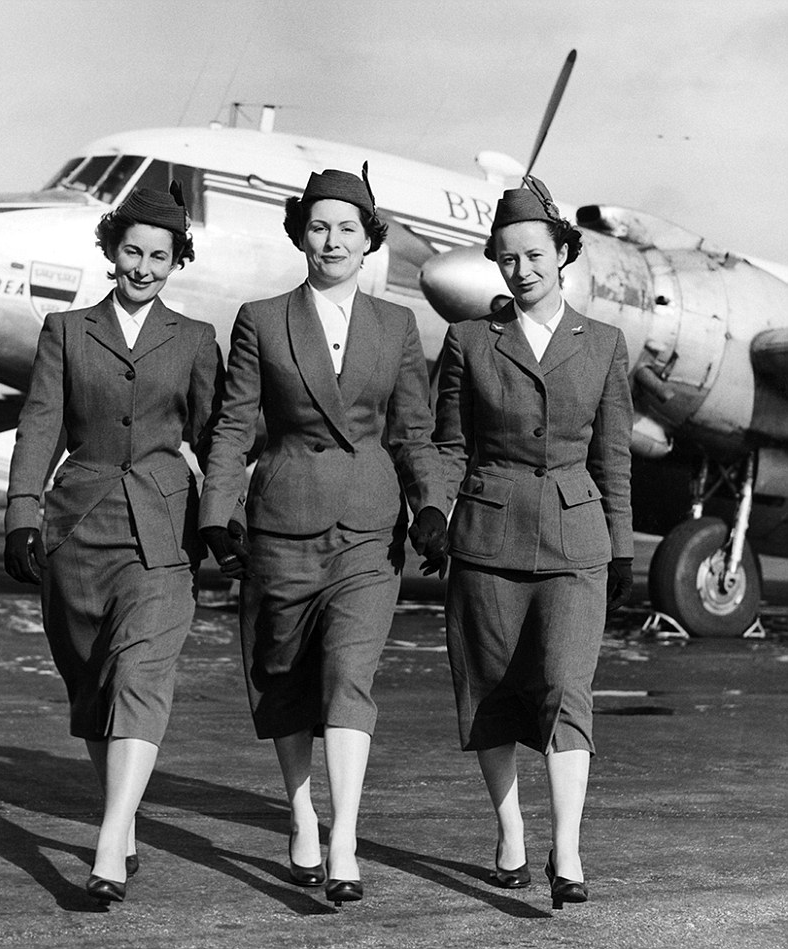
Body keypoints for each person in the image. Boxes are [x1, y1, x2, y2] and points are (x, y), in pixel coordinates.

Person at [198, 165, 448, 906]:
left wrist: (431, 507)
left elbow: (414, 432)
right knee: (283, 677)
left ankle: (344, 841)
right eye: (319, 227)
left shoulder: (397, 327)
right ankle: (303, 813)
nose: (332, 241)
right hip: (282, 523)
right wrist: (217, 512)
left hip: (368, 531)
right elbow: (234, 426)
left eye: (347, 228)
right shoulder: (261, 319)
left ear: (369, 241)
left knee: (347, 676)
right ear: (299, 235)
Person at [3, 184, 224, 905]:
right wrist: (21, 513)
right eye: (133, 251)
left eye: (159, 256)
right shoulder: (65, 331)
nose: (143, 268)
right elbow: (40, 424)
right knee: (94, 682)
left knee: (139, 675)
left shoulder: (195, 340)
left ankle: (107, 843)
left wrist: (228, 514)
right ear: (111, 251)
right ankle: (120, 823)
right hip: (77, 528)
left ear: (176, 261)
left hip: (162, 532)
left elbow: (218, 438)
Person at [431, 176, 634, 910]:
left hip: (577, 542)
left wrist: (621, 543)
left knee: (566, 688)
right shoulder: (468, 341)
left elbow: (614, 455)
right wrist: (434, 509)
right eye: (508, 257)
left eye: (535, 255)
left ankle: (567, 849)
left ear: (563, 254)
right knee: (488, 689)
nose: (521, 269)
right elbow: (449, 445)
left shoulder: (604, 344)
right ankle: (511, 830)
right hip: (487, 539)